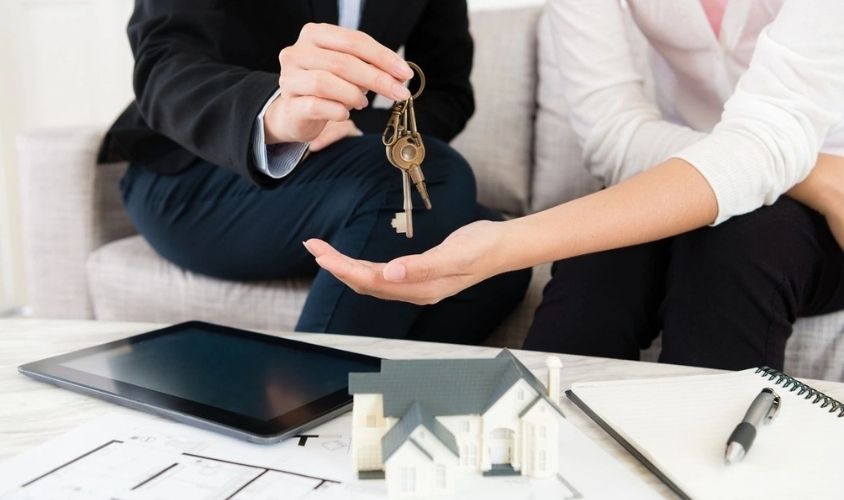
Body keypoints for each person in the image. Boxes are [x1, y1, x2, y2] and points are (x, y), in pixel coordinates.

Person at [305, 0, 844, 370]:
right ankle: (524, 459)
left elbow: (772, 135)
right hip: (801, 178)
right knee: (603, 250)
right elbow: (614, 134)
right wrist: (813, 175)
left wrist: (506, 245)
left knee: (737, 240)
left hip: (824, 219)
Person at [98, 0, 531, 343]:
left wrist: (344, 122)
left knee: (500, 261)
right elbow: (164, 63)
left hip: (326, 175)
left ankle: (353, 408)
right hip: (190, 174)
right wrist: (276, 113)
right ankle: (307, 405)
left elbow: (447, 92)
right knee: (436, 175)